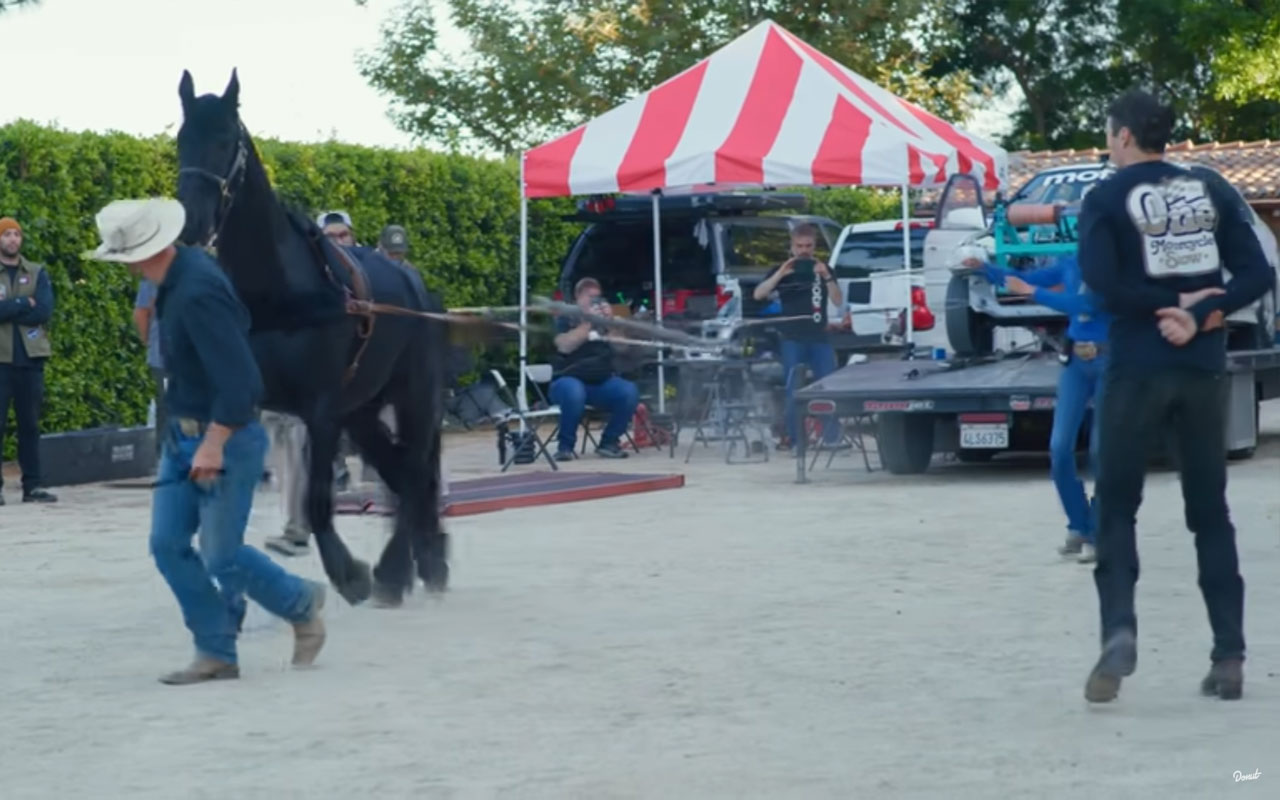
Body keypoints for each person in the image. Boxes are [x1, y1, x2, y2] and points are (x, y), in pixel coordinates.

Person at [1077, 89, 1275, 703]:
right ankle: (1229, 655)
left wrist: (1164, 305)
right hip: (1201, 368)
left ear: (1124, 136)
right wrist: (1204, 309)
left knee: (1116, 506)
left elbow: (1101, 285)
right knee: (1209, 511)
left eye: (1109, 134)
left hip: (1136, 367)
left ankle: (1119, 632)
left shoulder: (1104, 197)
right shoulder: (1210, 187)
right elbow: (1259, 272)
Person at [84, 197, 327, 685]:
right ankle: (216, 650)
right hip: (184, 432)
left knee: (221, 553)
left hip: (225, 438)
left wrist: (213, 444)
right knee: (167, 544)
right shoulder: (175, 279)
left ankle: (300, 602)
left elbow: (243, 383)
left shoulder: (198, 292)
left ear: (139, 253)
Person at [975, 252, 1111, 564]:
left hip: (1111, 361)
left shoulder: (1114, 264)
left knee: (1102, 452)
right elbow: (1024, 280)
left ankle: (1100, 531)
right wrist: (985, 269)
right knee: (1059, 448)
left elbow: (1087, 304)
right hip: (1076, 362)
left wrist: (1032, 292)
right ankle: (1079, 526)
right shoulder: (1071, 262)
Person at [752, 222, 843, 450]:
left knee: (827, 387)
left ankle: (831, 437)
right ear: (792, 246)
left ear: (814, 246)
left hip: (819, 337)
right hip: (792, 338)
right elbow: (758, 295)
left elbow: (838, 300)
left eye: (808, 246)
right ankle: (796, 441)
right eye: (799, 246)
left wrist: (826, 277)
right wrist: (781, 273)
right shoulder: (782, 269)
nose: (804, 250)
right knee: (794, 389)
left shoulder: (823, 268)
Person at [0, 216, 57, 504]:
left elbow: (44, 310)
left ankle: (32, 486)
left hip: (30, 360)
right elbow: (30, 308)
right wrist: (23, 302)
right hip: (1, 361)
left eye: (16, 234)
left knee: (30, 425)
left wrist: (7, 309)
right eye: (6, 234)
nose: (12, 239)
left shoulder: (36, 272)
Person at [549, 277, 639, 460]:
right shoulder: (565, 318)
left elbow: (622, 347)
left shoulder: (604, 321)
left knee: (628, 391)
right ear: (577, 298)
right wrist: (588, 323)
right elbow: (563, 346)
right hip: (566, 380)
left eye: (598, 298)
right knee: (574, 392)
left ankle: (609, 442)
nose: (595, 302)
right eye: (590, 297)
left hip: (600, 382)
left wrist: (611, 323)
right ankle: (565, 447)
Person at [133, 278, 168, 458]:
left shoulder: (151, 278)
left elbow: (141, 313)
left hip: (162, 355)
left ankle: (165, 458)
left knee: (165, 408)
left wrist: (147, 341)